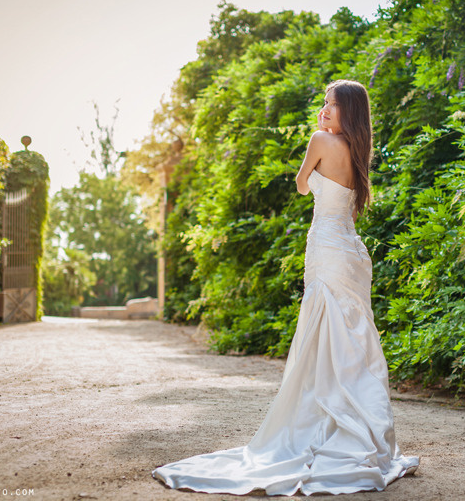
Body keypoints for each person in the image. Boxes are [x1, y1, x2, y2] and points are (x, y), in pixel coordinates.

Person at [152, 79, 419, 496]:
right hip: (351, 252)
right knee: (352, 336)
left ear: (349, 111)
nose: (324, 110)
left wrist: (313, 167)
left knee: (323, 334)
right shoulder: (358, 151)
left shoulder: (319, 141)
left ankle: (320, 425)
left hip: (327, 247)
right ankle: (358, 430)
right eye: (325, 104)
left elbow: (300, 184)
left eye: (333, 105)